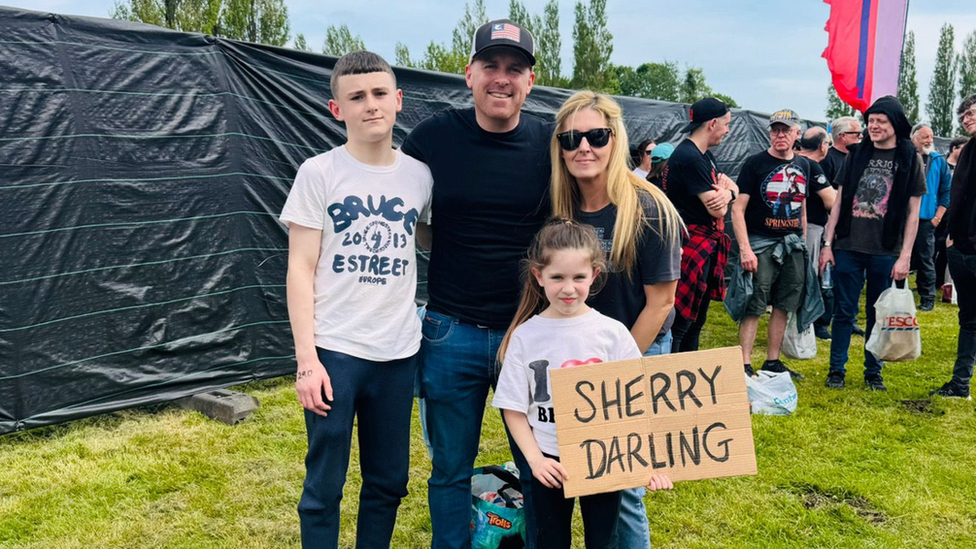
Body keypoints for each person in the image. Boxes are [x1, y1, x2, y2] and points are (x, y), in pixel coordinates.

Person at [399, 19, 552, 549]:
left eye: (515, 69)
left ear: (531, 81)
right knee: (449, 469)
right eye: (491, 65)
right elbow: (393, 202)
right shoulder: (434, 137)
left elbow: (605, 193)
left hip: (530, 334)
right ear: (469, 74)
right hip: (450, 329)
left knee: (541, 465)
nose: (502, 79)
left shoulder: (552, 143)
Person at [281, 51, 433, 549]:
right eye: (357, 97)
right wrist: (307, 361)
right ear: (336, 108)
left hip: (398, 351)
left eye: (380, 93)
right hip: (336, 350)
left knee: (388, 482)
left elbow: (431, 238)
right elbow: (300, 269)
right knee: (324, 484)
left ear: (398, 100)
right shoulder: (319, 173)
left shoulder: (419, 177)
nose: (371, 105)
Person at [548, 91, 684, 548]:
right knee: (586, 472)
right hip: (577, 361)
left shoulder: (648, 207)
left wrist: (614, 373)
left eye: (595, 135)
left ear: (615, 139)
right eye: (571, 138)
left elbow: (661, 303)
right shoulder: (560, 210)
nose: (583, 146)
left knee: (623, 481)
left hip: (632, 355)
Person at [493, 219, 674, 549]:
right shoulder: (525, 336)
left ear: (595, 274)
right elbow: (513, 408)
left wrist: (649, 462)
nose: (568, 288)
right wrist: (535, 460)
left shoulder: (612, 333)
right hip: (549, 460)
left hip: (603, 459)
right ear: (538, 276)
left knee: (603, 541)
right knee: (550, 542)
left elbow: (639, 400)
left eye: (579, 277)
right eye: (557, 277)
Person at [820, 96, 926, 391]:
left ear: (896, 124)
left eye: (881, 121)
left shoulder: (910, 158)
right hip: (849, 246)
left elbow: (914, 213)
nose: (874, 126)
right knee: (844, 311)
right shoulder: (857, 154)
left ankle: (873, 370)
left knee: (879, 313)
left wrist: (905, 256)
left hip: (886, 250)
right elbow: (840, 200)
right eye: (871, 121)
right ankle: (837, 369)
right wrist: (827, 243)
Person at [729, 110, 828, 378]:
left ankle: (772, 361)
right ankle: (744, 364)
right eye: (775, 130)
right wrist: (746, 249)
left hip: (793, 245)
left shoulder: (805, 166)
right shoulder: (755, 164)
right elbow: (737, 209)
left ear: (797, 133)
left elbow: (802, 209)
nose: (780, 135)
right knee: (754, 304)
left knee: (786, 302)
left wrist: (804, 243)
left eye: (786, 130)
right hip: (761, 244)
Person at [663, 97, 739, 352]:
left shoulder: (704, 156)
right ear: (713, 123)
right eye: (726, 124)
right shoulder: (691, 158)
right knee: (683, 320)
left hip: (703, 245)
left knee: (696, 319)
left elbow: (728, 189)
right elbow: (716, 208)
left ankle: (689, 370)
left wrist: (729, 192)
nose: (728, 131)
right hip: (691, 246)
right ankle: (675, 372)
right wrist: (728, 195)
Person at [930, 94, 976, 399]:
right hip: (961, 247)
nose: (967, 118)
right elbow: (957, 197)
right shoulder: (969, 150)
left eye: (972, 112)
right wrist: (950, 235)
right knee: (969, 319)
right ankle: (960, 384)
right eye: (963, 115)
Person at [821, 115, 867, 336]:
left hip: (855, 228)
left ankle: (851, 317)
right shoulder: (828, 159)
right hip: (831, 226)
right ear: (842, 136)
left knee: (854, 278)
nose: (860, 137)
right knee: (830, 276)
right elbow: (829, 198)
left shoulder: (859, 158)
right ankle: (823, 320)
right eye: (856, 134)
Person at [798, 127, 838, 340]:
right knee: (810, 275)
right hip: (811, 227)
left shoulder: (794, 161)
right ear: (823, 146)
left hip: (790, 227)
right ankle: (806, 322)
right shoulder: (812, 166)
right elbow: (831, 201)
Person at [909, 123, 952, 311]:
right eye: (925, 137)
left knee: (926, 258)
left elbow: (946, 191)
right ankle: (895, 292)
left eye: (931, 137)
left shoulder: (938, 161)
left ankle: (927, 297)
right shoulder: (905, 157)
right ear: (913, 138)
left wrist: (938, 217)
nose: (929, 140)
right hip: (903, 218)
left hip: (926, 219)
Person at [936, 136, 969, 290]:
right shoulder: (942, 165)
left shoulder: (967, 166)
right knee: (933, 249)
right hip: (939, 213)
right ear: (954, 148)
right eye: (963, 147)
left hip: (954, 216)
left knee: (946, 250)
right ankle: (934, 281)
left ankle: (946, 283)